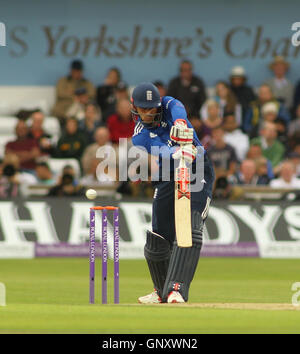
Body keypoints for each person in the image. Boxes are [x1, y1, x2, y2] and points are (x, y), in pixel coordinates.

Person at [131, 82, 215, 304]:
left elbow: (176, 106)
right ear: (135, 108)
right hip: (170, 171)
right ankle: (161, 291)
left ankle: (176, 289)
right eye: (144, 108)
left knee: (190, 224)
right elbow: (161, 150)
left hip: (197, 168)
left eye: (152, 107)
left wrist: (179, 123)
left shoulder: (168, 105)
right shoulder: (139, 136)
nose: (149, 112)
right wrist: (177, 151)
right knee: (159, 235)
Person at [52, 60, 95, 124]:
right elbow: (60, 93)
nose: (76, 73)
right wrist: (74, 97)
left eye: (78, 71)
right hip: (63, 111)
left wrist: (82, 98)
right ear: (71, 71)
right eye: (75, 71)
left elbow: (92, 94)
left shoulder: (86, 83)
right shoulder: (63, 81)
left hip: (81, 110)